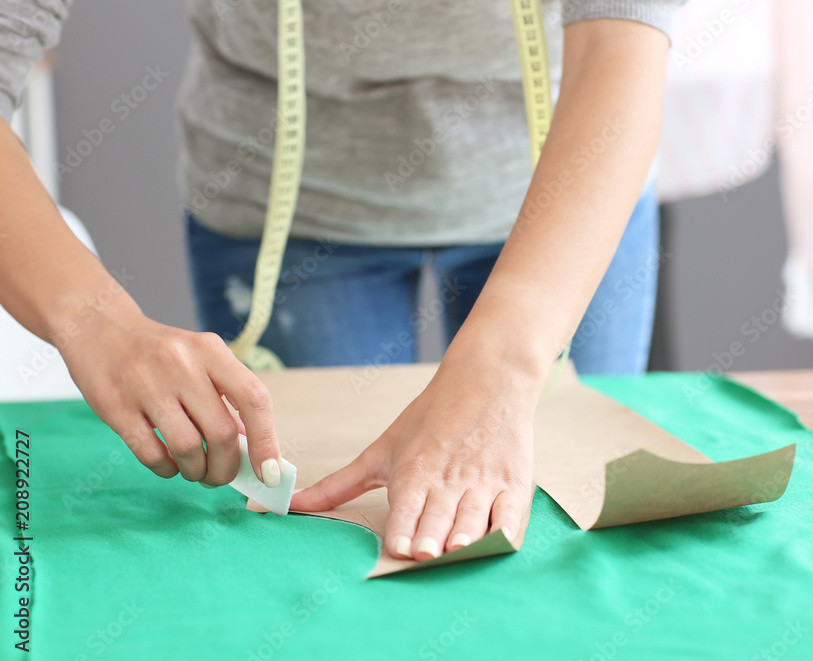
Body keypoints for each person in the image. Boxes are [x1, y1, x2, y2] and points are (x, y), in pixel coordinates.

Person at [0, 0, 677, 562]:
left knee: (561, 541)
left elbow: (622, 42)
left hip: (568, 168)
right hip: (290, 201)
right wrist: (93, 321)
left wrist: (503, 367)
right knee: (321, 546)